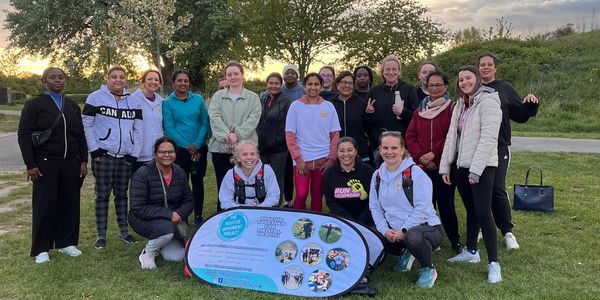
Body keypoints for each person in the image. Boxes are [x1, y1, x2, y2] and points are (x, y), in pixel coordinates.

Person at [17, 67, 88, 263]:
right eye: (52, 77)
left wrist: (83, 160)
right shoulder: (35, 104)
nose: (57, 80)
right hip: (45, 162)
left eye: (61, 77)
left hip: (70, 162)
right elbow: (24, 134)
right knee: (45, 205)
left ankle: (67, 243)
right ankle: (41, 248)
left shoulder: (72, 105)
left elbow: (80, 135)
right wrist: (30, 164)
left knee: (70, 203)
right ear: (44, 81)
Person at [439, 66, 503, 284]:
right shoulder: (460, 104)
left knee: (484, 212)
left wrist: (476, 170)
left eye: (468, 78)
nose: (464, 82)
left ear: (477, 79)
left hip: (482, 167)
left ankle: (493, 263)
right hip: (461, 166)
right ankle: (471, 252)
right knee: (471, 210)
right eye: (461, 79)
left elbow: (488, 138)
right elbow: (451, 136)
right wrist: (446, 166)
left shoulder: (489, 101)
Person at [478, 51, 540, 250]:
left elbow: (520, 116)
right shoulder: (472, 88)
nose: (485, 67)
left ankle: (507, 232)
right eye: (482, 65)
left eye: (489, 64)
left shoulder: (505, 89)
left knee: (497, 189)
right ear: (478, 68)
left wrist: (530, 105)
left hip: (499, 146)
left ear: (495, 68)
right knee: (480, 190)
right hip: (476, 148)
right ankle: (480, 226)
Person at [369, 131, 442, 288]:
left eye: (394, 147)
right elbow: (374, 207)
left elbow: (422, 209)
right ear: (380, 150)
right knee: (370, 234)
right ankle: (406, 253)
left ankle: (428, 269)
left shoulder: (416, 173)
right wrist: (384, 230)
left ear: (402, 150)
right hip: (394, 231)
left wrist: (403, 230)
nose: (389, 152)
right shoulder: (377, 176)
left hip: (426, 228)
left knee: (413, 237)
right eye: (385, 148)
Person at [82, 65, 142, 249]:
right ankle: (101, 235)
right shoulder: (95, 97)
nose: (118, 80)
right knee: (102, 196)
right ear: (107, 79)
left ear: (126, 80)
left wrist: (134, 154)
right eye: (114, 77)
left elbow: (138, 129)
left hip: (125, 157)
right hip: (104, 155)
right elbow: (87, 125)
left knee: (122, 196)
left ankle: (124, 232)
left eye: (122, 77)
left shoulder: (133, 101)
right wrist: (94, 150)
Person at [405, 71, 461, 254]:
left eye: (438, 85)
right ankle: (430, 239)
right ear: (426, 88)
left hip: (443, 166)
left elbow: (450, 136)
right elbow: (410, 136)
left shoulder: (452, 109)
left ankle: (455, 241)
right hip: (422, 167)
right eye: (431, 85)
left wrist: (433, 154)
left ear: (445, 86)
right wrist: (422, 156)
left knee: (446, 206)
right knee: (426, 206)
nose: (434, 88)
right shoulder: (419, 111)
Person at [128, 136, 193, 269]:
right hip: (142, 218)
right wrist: (169, 215)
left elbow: (189, 200)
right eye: (162, 152)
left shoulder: (179, 172)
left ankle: (161, 243)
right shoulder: (142, 173)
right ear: (155, 154)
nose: (167, 155)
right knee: (166, 230)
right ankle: (148, 253)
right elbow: (137, 207)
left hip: (171, 220)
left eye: (171, 151)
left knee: (178, 257)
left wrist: (179, 213)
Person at [209, 60, 262, 211]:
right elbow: (214, 117)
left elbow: (253, 120)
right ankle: (223, 214)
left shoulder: (253, 98)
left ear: (242, 75)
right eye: (229, 74)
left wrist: (237, 135)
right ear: (226, 77)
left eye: (236, 74)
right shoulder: (218, 97)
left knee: (246, 184)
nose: (233, 77)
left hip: (246, 150)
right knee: (223, 184)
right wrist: (227, 136)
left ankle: (246, 213)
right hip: (221, 148)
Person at [286, 73, 341, 212]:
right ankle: (297, 220)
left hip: (323, 160)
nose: (313, 87)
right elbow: (290, 135)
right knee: (301, 194)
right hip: (302, 160)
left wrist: (331, 159)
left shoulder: (328, 107)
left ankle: (315, 223)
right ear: (304, 87)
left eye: (316, 84)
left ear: (321, 87)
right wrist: (298, 159)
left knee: (317, 195)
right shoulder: (295, 106)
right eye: (310, 84)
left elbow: (335, 135)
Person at [162, 69, 210, 225]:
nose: (183, 83)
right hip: (180, 151)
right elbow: (169, 128)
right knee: (182, 183)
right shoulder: (168, 103)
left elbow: (204, 122)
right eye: (179, 80)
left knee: (198, 181)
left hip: (199, 148)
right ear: (173, 82)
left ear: (189, 83)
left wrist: (196, 144)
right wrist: (187, 145)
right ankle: (183, 215)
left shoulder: (198, 100)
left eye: (186, 80)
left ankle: (198, 214)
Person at [366, 55, 419, 166]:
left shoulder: (409, 90)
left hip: (402, 147)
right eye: (388, 69)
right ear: (382, 72)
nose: (391, 72)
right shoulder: (373, 91)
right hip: (380, 147)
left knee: (403, 181)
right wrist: (369, 114)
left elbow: (416, 118)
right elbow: (367, 123)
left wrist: (403, 113)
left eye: (394, 69)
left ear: (399, 72)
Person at [257, 72, 292, 206]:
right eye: (270, 83)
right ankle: (264, 204)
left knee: (277, 179)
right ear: (267, 84)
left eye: (276, 83)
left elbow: (287, 125)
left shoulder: (287, 101)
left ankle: (277, 206)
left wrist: (276, 141)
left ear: (281, 84)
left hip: (279, 149)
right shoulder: (263, 99)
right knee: (262, 178)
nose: (273, 86)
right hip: (263, 148)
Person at [323, 137, 375, 225]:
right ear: (337, 152)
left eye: (350, 150)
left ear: (356, 151)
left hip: (366, 220)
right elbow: (330, 201)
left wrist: (361, 221)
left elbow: (373, 200)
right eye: (342, 151)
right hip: (340, 219)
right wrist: (347, 220)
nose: (346, 154)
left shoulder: (369, 171)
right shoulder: (329, 174)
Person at [218, 140, 280, 209]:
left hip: (263, 211)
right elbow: (225, 200)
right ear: (238, 158)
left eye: (252, 154)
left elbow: (274, 195)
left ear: (257, 156)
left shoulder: (267, 170)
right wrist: (244, 209)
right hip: (239, 213)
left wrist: (260, 207)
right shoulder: (230, 174)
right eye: (245, 154)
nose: (249, 157)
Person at [329, 71, 372, 161]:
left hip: (359, 152)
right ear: (337, 85)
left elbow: (368, 128)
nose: (347, 85)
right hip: (335, 152)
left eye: (350, 83)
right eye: (344, 82)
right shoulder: (329, 104)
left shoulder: (361, 103)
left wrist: (369, 114)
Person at [130, 70, 164, 174]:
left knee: (156, 187)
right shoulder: (132, 99)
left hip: (157, 154)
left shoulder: (162, 102)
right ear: (143, 81)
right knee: (139, 187)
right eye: (150, 79)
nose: (153, 82)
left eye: (156, 80)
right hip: (138, 155)